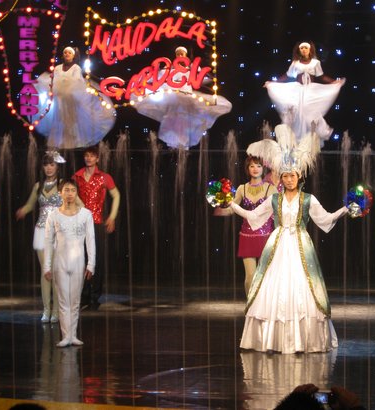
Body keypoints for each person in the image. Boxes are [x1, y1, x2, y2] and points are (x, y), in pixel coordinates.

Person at [229, 124, 348, 353]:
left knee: (302, 285)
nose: (289, 179)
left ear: (299, 176)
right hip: (278, 244)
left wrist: (346, 209)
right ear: (281, 178)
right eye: (285, 176)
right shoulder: (275, 199)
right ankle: (271, 339)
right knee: (274, 285)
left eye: (292, 175)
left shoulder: (308, 199)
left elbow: (325, 219)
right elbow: (253, 216)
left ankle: (304, 339)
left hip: (301, 245)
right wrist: (231, 205)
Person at [132, 46, 232, 149]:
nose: (180, 55)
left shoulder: (191, 68)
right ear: (176, 55)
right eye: (178, 54)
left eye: (182, 54)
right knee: (173, 118)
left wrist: (208, 76)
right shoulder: (169, 68)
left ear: (185, 55)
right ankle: (174, 143)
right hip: (174, 96)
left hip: (186, 96)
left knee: (184, 119)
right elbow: (158, 77)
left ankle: (182, 144)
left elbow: (202, 77)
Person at [214, 155, 277, 295]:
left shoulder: (271, 188)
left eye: (258, 166)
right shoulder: (242, 188)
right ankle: (251, 303)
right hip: (247, 236)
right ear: (247, 169)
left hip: (266, 237)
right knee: (250, 277)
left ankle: (264, 304)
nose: (255, 169)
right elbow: (232, 209)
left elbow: (279, 211)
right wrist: (221, 211)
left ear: (263, 168)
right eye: (252, 166)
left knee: (265, 276)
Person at [31, 46, 116, 149]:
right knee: (59, 119)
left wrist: (65, 84)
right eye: (65, 52)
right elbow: (52, 79)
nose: (67, 54)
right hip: (59, 99)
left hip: (71, 98)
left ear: (73, 56)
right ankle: (59, 144)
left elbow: (77, 81)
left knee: (71, 120)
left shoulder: (76, 68)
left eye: (69, 53)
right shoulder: (58, 68)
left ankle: (72, 143)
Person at [44, 179, 95, 347]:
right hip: (60, 263)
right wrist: (47, 266)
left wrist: (91, 264)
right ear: (60, 193)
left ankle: (73, 335)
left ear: (76, 193)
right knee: (63, 301)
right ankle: (66, 336)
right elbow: (48, 242)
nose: (70, 193)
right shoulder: (53, 215)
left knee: (75, 301)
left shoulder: (86, 214)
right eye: (66, 190)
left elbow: (90, 241)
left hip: (78, 263)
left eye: (73, 190)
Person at [16, 152, 66, 323]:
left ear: (57, 167)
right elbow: (30, 204)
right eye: (46, 165)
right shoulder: (38, 186)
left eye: (52, 164)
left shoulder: (63, 184)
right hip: (41, 231)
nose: (49, 168)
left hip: (58, 232)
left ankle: (56, 311)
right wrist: (23, 210)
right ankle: (46, 310)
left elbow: (76, 203)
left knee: (55, 272)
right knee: (46, 271)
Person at [264, 41, 345, 145]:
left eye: (306, 48)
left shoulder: (315, 63)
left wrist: (334, 82)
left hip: (311, 91)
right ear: (299, 50)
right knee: (296, 112)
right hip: (298, 90)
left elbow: (322, 77)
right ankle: (295, 139)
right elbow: (287, 76)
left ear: (309, 50)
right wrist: (272, 83)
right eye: (301, 48)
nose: (303, 50)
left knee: (310, 113)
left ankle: (311, 137)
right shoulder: (295, 63)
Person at [73, 145, 120, 310]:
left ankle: (94, 296)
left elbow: (116, 195)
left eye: (92, 156)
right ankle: (83, 295)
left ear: (97, 159)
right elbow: (68, 194)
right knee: (80, 259)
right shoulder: (77, 176)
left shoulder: (104, 177)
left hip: (97, 223)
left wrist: (112, 216)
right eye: (86, 155)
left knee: (97, 260)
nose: (89, 158)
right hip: (79, 223)